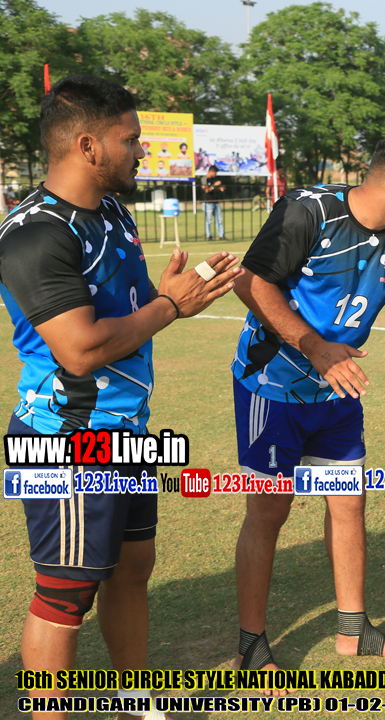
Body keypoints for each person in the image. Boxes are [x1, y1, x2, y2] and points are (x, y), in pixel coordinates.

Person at [0, 75, 241, 720]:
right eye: (130, 139)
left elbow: (126, 312)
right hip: (66, 439)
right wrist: (170, 306)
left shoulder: (111, 211)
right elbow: (79, 349)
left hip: (125, 433)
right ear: (88, 145)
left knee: (133, 566)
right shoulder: (33, 233)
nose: (141, 151)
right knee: (65, 592)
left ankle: (137, 696)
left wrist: (167, 295)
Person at [229, 133, 385, 682]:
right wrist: (315, 348)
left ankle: (353, 630)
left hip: (338, 394)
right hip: (273, 387)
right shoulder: (308, 212)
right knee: (269, 511)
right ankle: (250, 643)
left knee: (348, 504)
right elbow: (252, 283)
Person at [202, 166, 226, 241]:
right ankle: (209, 236)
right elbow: (206, 190)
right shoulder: (204, 179)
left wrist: (219, 188)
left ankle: (221, 235)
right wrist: (215, 185)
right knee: (208, 221)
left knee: (219, 220)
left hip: (215, 201)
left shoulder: (213, 180)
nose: (216, 174)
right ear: (212, 172)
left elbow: (213, 189)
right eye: (215, 173)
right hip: (208, 203)